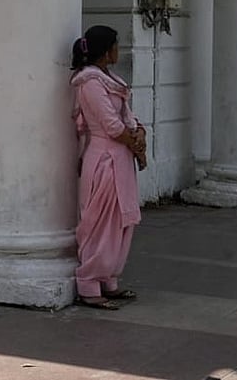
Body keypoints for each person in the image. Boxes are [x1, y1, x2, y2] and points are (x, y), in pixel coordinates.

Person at [70, 25, 146, 310]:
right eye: (116, 45)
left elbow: (127, 118)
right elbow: (111, 126)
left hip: (121, 159)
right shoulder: (89, 83)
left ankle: (110, 280)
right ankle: (89, 283)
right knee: (101, 223)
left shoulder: (111, 79)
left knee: (121, 221)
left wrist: (140, 132)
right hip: (104, 160)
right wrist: (136, 144)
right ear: (105, 50)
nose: (119, 50)